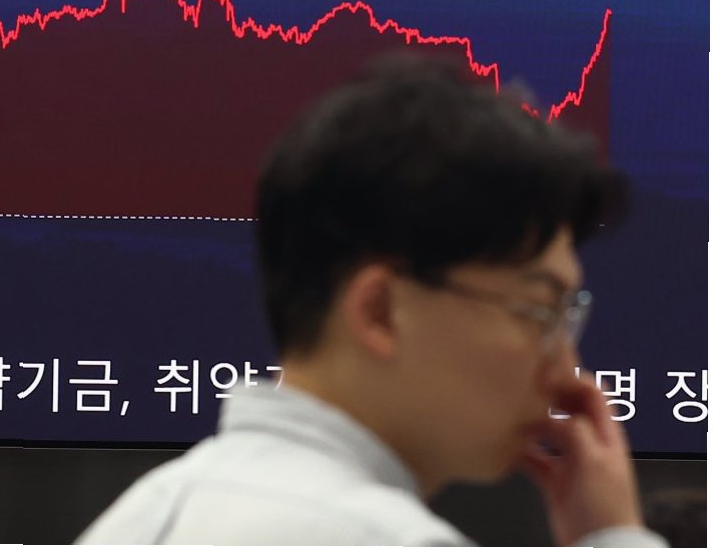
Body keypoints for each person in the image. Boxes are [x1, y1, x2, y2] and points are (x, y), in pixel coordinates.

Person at [78, 54, 667, 546]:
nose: (566, 370)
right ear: (379, 312)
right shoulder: (389, 539)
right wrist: (616, 538)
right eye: (539, 312)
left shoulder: (143, 515)